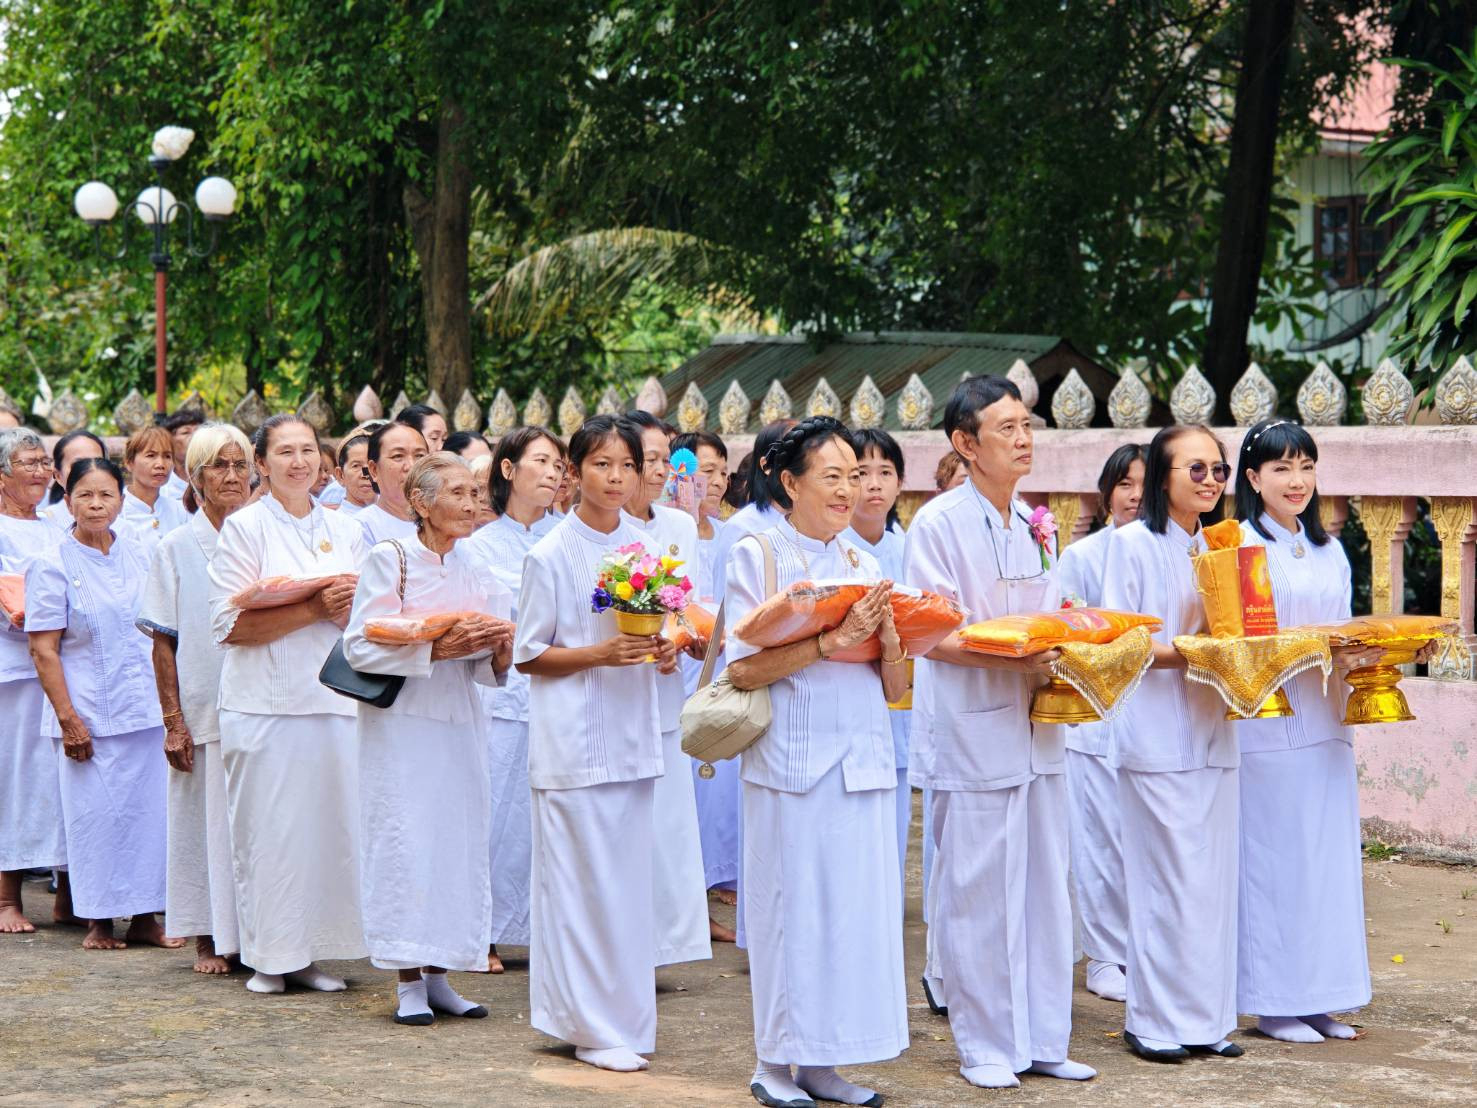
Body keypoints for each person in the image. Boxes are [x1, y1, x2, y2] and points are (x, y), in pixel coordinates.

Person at [905, 376, 1090, 1089]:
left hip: (1038, 727)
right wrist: (1013, 655)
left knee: (1045, 885)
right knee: (978, 891)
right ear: (964, 443)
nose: (1023, 438)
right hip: (972, 729)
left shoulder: (1030, 524)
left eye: (1026, 425)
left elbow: (1045, 610)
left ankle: (1043, 1037)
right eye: (1005, 428)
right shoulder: (939, 524)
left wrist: (1070, 630)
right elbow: (929, 631)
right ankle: (984, 1043)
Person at [725, 416, 909, 1108]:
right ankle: (774, 1063)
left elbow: (895, 691)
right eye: (831, 476)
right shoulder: (757, 552)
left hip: (860, 758)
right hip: (790, 764)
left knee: (853, 916)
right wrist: (832, 643)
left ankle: (825, 1061)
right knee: (789, 912)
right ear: (788, 480)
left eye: (856, 475)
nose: (848, 489)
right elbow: (743, 671)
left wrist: (890, 640)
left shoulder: (868, 562)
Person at [513, 414, 675, 1073]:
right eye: (600, 464)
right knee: (579, 887)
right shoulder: (548, 553)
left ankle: (626, 1020)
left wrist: (663, 650)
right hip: (572, 741)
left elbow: (659, 628)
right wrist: (596, 654)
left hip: (634, 733)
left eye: (625, 466)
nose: (614, 478)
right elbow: (528, 655)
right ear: (574, 472)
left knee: (627, 888)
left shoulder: (644, 548)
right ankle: (586, 1026)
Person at [345, 454, 514, 1025]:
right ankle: (407, 984)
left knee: (454, 847)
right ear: (420, 501)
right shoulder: (388, 558)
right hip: (400, 729)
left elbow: (486, 672)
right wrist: (431, 647)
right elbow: (359, 648)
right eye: (458, 493)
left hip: (459, 724)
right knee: (403, 846)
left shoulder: (475, 567)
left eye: (475, 493)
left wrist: (500, 650)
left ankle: (442, 976)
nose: (471, 505)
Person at [208, 414, 366, 994]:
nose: (299, 462)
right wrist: (311, 608)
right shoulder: (245, 528)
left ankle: (309, 954)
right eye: (285, 452)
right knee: (268, 833)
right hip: (262, 706)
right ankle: (267, 958)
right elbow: (228, 626)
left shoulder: (344, 528)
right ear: (261, 462)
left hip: (330, 699)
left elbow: (363, 616)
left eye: (308, 451)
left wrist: (350, 608)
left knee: (324, 834)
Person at [1232, 419, 1378, 1045]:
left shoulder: (1330, 548)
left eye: (1307, 467)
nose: (1297, 481)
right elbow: (1246, 642)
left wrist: (1358, 658)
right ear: (1253, 478)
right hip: (1270, 721)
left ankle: (1321, 995)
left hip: (1327, 719)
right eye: (1282, 468)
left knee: (1325, 860)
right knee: (1275, 858)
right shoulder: (1238, 546)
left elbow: (1339, 628)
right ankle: (1273, 1001)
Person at [1100, 424, 1241, 1062]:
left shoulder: (1222, 548)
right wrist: (1191, 650)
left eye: (1218, 470)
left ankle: (1207, 1022)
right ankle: (1152, 1020)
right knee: (1164, 881)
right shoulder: (1129, 545)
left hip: (1214, 727)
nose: (1211, 481)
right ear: (1163, 477)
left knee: (1210, 881)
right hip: (1154, 734)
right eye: (1197, 470)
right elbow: (1120, 641)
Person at [26, 457, 180, 952]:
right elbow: (43, 649)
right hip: (87, 715)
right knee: (94, 821)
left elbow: (159, 630)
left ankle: (144, 917)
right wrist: (70, 720)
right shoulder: (52, 562)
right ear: (67, 499)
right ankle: (97, 921)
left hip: (144, 710)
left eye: (106, 494)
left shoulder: (141, 551)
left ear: (121, 498)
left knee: (148, 818)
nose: (96, 504)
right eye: (85, 495)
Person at [137, 424, 253, 974]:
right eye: (217, 466)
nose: (231, 476)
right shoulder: (176, 546)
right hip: (203, 704)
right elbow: (164, 640)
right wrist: (173, 721)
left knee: (259, 826)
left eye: (239, 465)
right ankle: (208, 934)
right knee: (201, 825)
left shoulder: (262, 535)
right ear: (196, 476)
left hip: (263, 701)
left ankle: (260, 934)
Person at [462, 426, 565, 974]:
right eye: (541, 462)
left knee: (553, 818)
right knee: (499, 813)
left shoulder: (568, 537)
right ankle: (486, 930)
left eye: (558, 465)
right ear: (508, 470)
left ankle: (551, 929)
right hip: (502, 697)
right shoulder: (478, 547)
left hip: (562, 690)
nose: (552, 473)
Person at [1057, 443, 1145, 1004]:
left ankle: (1145, 949)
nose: (1136, 496)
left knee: (1145, 844)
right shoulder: (1082, 556)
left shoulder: (1183, 552)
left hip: (1154, 722)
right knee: (1099, 844)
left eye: (1145, 483)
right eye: (1125, 484)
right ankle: (1101, 956)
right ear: (1106, 492)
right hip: (1093, 720)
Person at [623, 411, 711, 969]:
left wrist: (686, 638)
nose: (657, 470)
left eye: (663, 458)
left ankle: (659, 947)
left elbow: (687, 604)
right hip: (610, 685)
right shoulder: (594, 530)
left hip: (664, 688)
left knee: (667, 825)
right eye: (645, 460)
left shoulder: (678, 527)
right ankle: (621, 948)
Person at [0, 428, 70, 933]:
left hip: (60, 666)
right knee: (18, 777)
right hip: (15, 670)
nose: (43, 471)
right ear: (3, 474)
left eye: (46, 461)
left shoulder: (56, 525)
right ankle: (7, 899)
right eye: (29, 462)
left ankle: (71, 894)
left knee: (63, 778)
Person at [670, 430, 739, 938]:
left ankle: (711, 886)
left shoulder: (732, 534)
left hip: (719, 662)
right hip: (680, 660)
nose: (711, 482)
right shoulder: (669, 531)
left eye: (719, 472)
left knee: (714, 781)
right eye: (701, 471)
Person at [844, 428, 913, 894]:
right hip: (846, 697)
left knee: (895, 809)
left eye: (884, 472)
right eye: (861, 473)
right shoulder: (834, 549)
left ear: (900, 483)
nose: (873, 484)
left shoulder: (909, 548)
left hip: (900, 695)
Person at [358, 421, 429, 545]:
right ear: (374, 470)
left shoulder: (443, 520)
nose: (411, 466)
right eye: (398, 456)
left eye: (419, 455)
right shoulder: (360, 529)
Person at [120, 425, 188, 550]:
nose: (160, 464)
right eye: (151, 455)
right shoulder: (117, 512)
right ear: (129, 463)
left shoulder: (180, 511)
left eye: (167, 456)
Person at [42, 430, 107, 530]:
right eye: (78, 465)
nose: (90, 471)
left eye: (98, 463)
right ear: (58, 475)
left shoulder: (123, 527)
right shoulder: (45, 524)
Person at [162, 410, 206, 502]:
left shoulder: (214, 481)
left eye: (199, 431)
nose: (195, 436)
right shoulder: (161, 489)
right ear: (169, 440)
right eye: (186, 432)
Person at [332, 434, 377, 515]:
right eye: (356, 466)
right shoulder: (334, 524)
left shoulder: (398, 515)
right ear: (340, 475)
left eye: (372, 465)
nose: (366, 475)